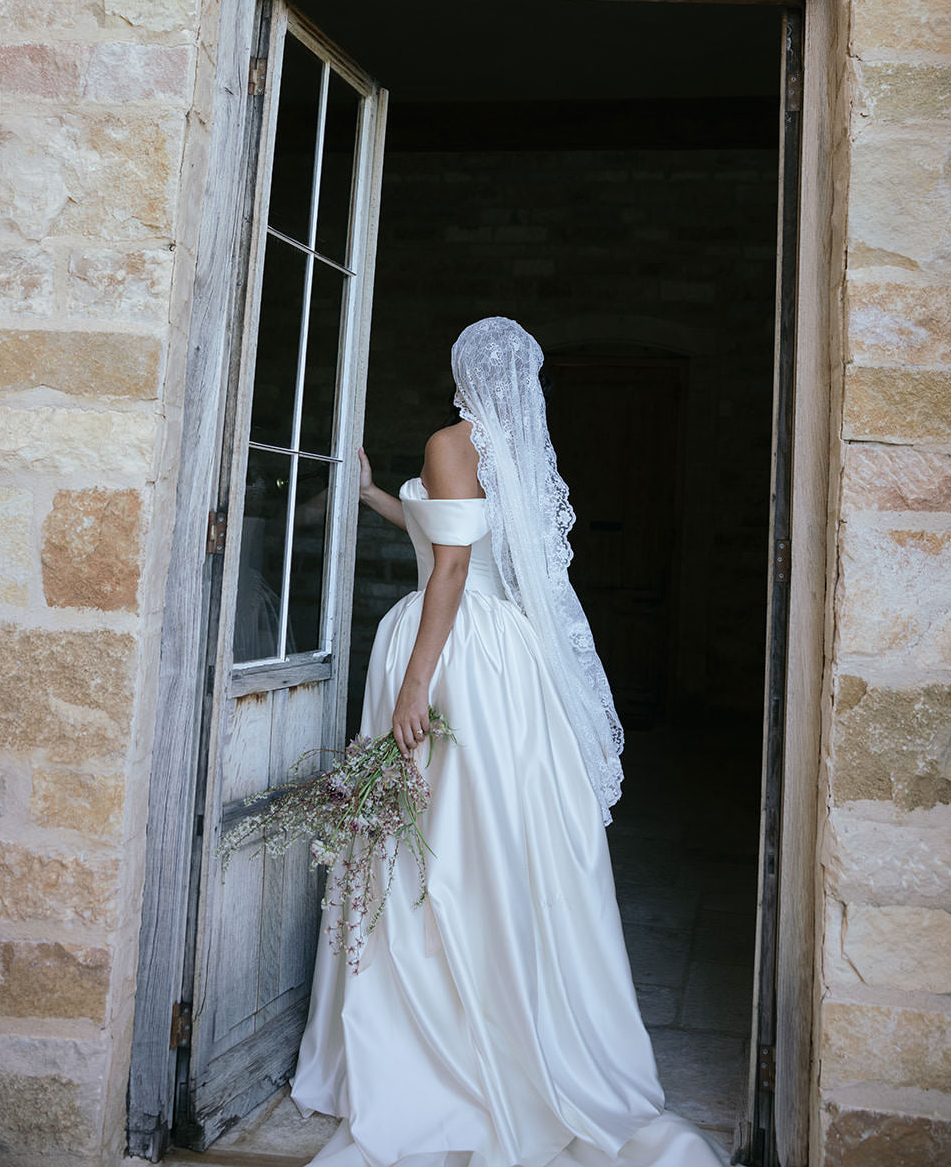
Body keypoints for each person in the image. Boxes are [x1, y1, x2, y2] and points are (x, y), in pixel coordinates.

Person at [291, 317, 724, 1167]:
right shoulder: (515, 449)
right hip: (500, 654)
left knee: (439, 831)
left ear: (462, 369)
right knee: (484, 828)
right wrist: (379, 496)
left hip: (454, 653)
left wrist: (417, 681)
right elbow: (452, 539)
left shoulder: (452, 439)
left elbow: (450, 570)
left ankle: (439, 1035)